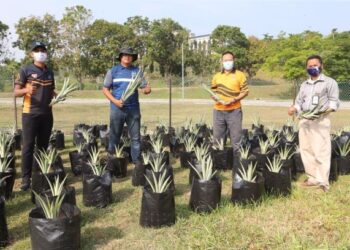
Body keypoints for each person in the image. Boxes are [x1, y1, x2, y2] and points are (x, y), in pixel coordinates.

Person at [288, 55, 339, 192]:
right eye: (309, 66)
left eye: (315, 65)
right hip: (304, 121)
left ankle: (323, 183)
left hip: (320, 121)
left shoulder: (329, 82)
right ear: (306, 68)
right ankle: (312, 178)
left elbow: (334, 103)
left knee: (321, 151)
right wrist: (294, 108)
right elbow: (299, 102)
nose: (312, 68)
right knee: (306, 150)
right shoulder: (304, 85)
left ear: (322, 66)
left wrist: (320, 113)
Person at [14, 41, 56, 191]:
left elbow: (51, 91)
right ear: (31, 54)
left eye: (43, 50)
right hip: (30, 114)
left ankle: (39, 173)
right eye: (37, 50)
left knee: (43, 146)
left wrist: (57, 95)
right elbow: (16, 92)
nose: (40, 53)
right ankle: (26, 179)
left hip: (47, 114)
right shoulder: (25, 69)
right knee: (28, 146)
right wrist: (26, 90)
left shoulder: (49, 72)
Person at [102, 47, 151, 163]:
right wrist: (115, 101)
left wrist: (147, 89)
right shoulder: (113, 71)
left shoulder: (137, 71)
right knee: (114, 135)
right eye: (125, 55)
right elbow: (105, 89)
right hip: (117, 108)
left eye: (130, 55)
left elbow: (144, 88)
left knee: (135, 137)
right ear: (120, 57)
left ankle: (136, 162)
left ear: (132, 58)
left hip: (133, 109)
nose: (127, 57)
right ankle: (112, 161)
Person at [211, 51, 249, 170]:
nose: (228, 62)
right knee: (217, 139)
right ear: (222, 62)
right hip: (218, 111)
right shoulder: (217, 76)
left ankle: (237, 166)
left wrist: (233, 100)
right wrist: (215, 97)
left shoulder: (240, 75)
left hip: (234, 111)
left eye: (230, 60)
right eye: (225, 60)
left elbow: (245, 91)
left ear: (233, 60)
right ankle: (218, 166)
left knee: (236, 139)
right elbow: (213, 92)